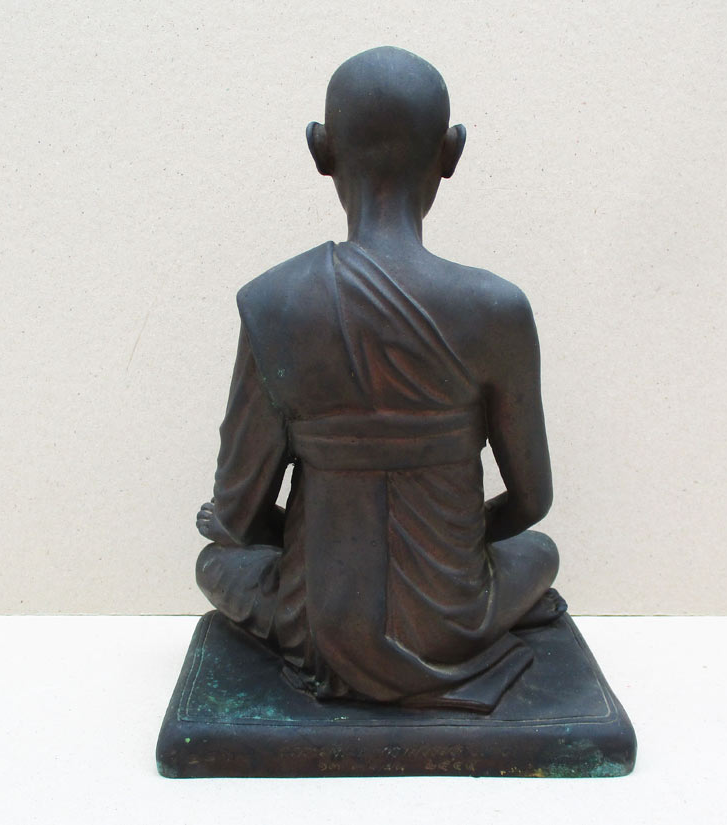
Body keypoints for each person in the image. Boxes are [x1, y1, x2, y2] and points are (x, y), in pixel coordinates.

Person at [195, 46, 564, 713]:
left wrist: (266, 526)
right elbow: (531, 502)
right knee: (539, 552)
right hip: (451, 621)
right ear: (451, 151)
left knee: (214, 565)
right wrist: (458, 544)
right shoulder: (496, 309)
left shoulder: (274, 303)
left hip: (317, 627)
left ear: (321, 149)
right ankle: (479, 617)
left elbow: (237, 516)